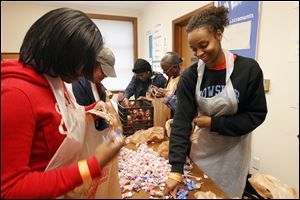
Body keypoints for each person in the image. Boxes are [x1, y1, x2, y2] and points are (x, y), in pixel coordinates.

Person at [1, 8, 124, 198]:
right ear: (62, 52)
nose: (84, 71)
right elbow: (10, 189)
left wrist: (90, 110)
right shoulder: (16, 95)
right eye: (82, 62)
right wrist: (93, 165)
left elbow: (59, 120)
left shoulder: (55, 81)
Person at [164, 6, 267, 198]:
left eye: (204, 45)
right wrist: (176, 169)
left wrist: (215, 123)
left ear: (218, 34)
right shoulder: (191, 76)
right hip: (202, 151)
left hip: (234, 154)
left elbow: (255, 116)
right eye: (194, 49)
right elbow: (182, 122)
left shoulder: (247, 70)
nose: (200, 53)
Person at [72, 47, 116, 131]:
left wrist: (108, 134)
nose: (105, 76)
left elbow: (102, 120)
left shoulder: (99, 86)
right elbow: (79, 118)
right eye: (103, 72)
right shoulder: (78, 84)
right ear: (93, 64)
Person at [150, 52, 182, 116]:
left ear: (175, 67)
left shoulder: (183, 80)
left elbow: (181, 105)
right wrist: (157, 91)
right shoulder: (171, 78)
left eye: (166, 70)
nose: (164, 72)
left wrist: (166, 95)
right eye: (163, 69)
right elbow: (168, 92)